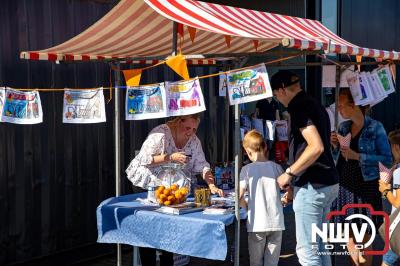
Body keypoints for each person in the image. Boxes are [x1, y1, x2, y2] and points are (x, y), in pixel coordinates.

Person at [125, 113, 223, 266]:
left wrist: (211, 185)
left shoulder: (194, 141)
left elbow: (203, 165)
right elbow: (144, 159)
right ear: (178, 122)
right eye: (187, 128)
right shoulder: (160, 133)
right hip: (146, 183)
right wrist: (170, 157)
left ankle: (167, 261)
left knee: (168, 227)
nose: (190, 132)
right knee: (148, 227)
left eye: (194, 129)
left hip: (170, 187)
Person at [271, 70, 339, 266]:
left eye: (276, 95)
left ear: (282, 90)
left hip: (313, 186)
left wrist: (289, 173)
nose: (277, 100)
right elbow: (304, 149)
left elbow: (315, 147)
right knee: (321, 247)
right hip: (324, 183)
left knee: (308, 253)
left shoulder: (299, 107)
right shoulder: (313, 103)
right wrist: (293, 185)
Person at [330, 88, 392, 266]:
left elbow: (387, 160)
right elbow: (339, 158)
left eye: (341, 105)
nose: (339, 109)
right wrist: (334, 146)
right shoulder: (344, 127)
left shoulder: (375, 127)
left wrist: (358, 156)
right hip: (346, 186)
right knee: (349, 236)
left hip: (366, 187)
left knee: (364, 236)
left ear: (354, 104)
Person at [239, 130, 285, 266]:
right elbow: (287, 189)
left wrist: (246, 206)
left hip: (256, 223)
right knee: (272, 262)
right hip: (276, 222)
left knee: (255, 262)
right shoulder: (277, 167)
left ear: (247, 151)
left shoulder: (246, 170)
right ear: (265, 147)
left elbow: (239, 195)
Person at [378, 129, 400, 266]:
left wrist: (385, 191)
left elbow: (398, 203)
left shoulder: (398, 171)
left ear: (396, 147)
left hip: (397, 228)